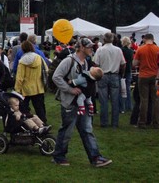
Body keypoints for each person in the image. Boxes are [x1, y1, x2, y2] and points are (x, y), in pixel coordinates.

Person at [52, 38, 112, 167]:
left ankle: (95, 157)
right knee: (67, 130)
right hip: (70, 101)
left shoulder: (86, 62)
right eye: (89, 47)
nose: (92, 49)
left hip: (82, 101)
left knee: (87, 129)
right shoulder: (69, 60)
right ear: (82, 48)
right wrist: (70, 89)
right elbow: (56, 77)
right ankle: (59, 156)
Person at [93, 32, 126, 128]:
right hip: (115, 75)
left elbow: (96, 64)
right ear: (113, 39)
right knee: (115, 100)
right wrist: (121, 73)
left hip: (103, 75)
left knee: (103, 101)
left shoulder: (100, 50)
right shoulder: (118, 50)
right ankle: (114, 123)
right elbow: (123, 63)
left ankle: (104, 122)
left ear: (104, 39)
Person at [15, 40, 48, 123]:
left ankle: (27, 124)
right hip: (38, 87)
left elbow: (20, 77)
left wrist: (17, 90)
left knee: (23, 109)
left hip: (26, 89)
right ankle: (43, 124)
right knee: (40, 109)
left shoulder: (22, 61)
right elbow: (46, 69)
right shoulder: (39, 58)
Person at [132, 33, 159, 128]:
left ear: (145, 39)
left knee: (144, 100)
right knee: (156, 100)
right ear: (153, 39)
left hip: (143, 76)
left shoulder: (141, 49)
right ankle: (156, 123)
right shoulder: (158, 49)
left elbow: (134, 63)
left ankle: (142, 122)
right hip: (156, 76)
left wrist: (141, 62)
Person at [120, 36, 134, 112]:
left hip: (122, 71)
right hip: (129, 70)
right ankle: (129, 105)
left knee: (121, 90)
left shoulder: (121, 50)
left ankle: (122, 106)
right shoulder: (131, 51)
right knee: (128, 89)